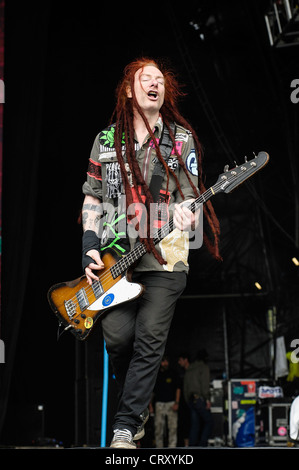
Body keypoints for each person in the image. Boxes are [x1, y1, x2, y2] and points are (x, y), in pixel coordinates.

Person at [81, 57, 220, 449]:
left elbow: (191, 200)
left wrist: (186, 213)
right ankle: (136, 411)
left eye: (160, 80)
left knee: (149, 338)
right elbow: (92, 198)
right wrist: (90, 246)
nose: (155, 84)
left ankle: (124, 428)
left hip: (166, 258)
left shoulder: (180, 140)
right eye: (146, 79)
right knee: (116, 340)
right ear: (129, 90)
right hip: (116, 261)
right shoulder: (106, 141)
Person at [178, 349, 213, 447]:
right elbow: (205, 385)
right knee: (209, 422)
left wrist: (187, 400)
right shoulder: (204, 367)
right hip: (199, 399)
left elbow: (185, 387)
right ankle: (202, 444)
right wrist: (207, 399)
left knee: (195, 424)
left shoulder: (190, 368)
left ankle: (193, 446)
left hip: (190, 400)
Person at [151, 355, 181, 448]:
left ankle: (172, 446)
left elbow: (178, 388)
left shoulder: (173, 373)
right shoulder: (156, 375)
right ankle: (159, 447)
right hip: (159, 404)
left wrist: (177, 402)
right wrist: (150, 406)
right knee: (158, 428)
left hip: (171, 403)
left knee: (172, 427)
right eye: (163, 361)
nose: (165, 363)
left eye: (167, 361)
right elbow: (151, 392)